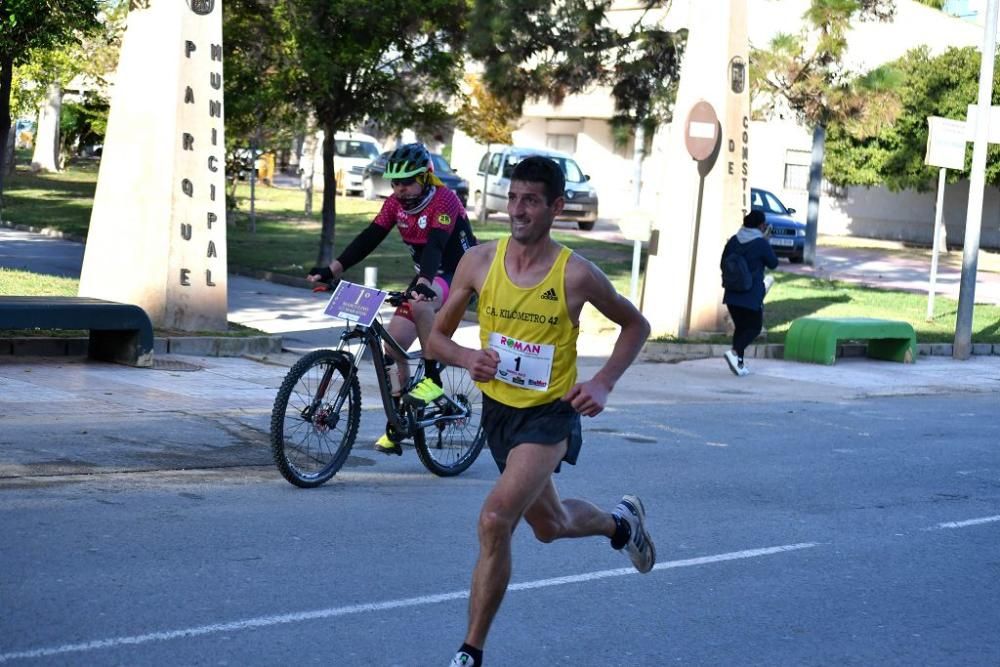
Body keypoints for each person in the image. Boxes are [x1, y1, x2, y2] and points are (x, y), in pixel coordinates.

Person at [426, 156, 654, 667]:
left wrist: (602, 381)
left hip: (550, 416)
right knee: (548, 525)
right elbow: (436, 339)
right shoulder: (479, 262)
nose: (518, 210)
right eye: (512, 198)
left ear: (555, 205)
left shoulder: (577, 274)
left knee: (494, 519)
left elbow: (635, 325)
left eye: (530, 200)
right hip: (500, 417)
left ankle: (469, 653)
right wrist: (467, 357)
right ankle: (622, 525)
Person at [308, 142, 476, 454]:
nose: (400, 190)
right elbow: (370, 237)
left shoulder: (445, 200)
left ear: (425, 177)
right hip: (428, 275)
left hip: (461, 274)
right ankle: (399, 422)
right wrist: (333, 270)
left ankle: (433, 381)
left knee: (422, 303)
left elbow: (437, 246)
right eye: (395, 183)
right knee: (392, 345)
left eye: (407, 182)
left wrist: (423, 281)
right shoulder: (395, 205)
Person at [720, 209, 779, 377]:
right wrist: (766, 241)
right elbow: (773, 263)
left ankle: (739, 364)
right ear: (761, 225)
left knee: (741, 328)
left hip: (731, 293)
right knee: (754, 327)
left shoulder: (733, 240)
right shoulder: (760, 243)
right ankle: (734, 352)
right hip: (751, 295)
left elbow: (722, 263)